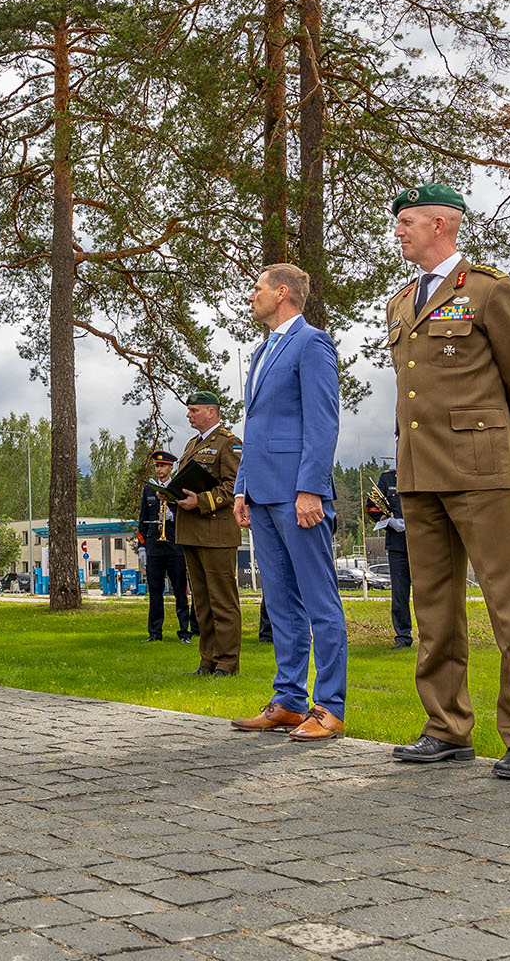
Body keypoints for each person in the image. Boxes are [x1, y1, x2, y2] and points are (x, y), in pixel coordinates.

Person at [386, 182, 510, 781]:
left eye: (408, 221)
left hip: (482, 467)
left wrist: (504, 438)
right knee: (434, 608)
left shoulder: (490, 291)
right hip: (419, 472)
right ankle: (446, 727)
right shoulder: (402, 302)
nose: (399, 230)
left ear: (443, 224)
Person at [230, 263, 347, 741]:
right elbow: (256, 427)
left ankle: (331, 706)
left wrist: (310, 489)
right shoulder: (261, 351)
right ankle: (289, 701)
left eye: (256, 288)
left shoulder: (312, 343)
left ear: (282, 294)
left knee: (320, 602)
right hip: (261, 493)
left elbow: (323, 422)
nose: (250, 297)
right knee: (280, 603)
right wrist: (242, 487)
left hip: (298, 493)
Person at [173, 392, 243, 678]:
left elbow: (234, 486)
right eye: (189, 410)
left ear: (212, 413)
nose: (189, 415)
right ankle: (208, 661)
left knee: (222, 601)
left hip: (217, 533)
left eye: (194, 410)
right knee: (202, 602)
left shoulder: (230, 443)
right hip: (191, 532)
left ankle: (227, 663)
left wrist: (200, 501)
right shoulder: (192, 444)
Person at [136, 450, 193, 643]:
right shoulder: (149, 490)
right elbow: (143, 519)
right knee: (155, 592)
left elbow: (188, 517)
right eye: (157, 466)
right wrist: (142, 547)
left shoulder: (178, 488)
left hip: (175, 546)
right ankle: (154, 632)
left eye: (162, 466)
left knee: (180, 591)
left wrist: (172, 513)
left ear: (171, 467)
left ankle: (184, 631)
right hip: (154, 547)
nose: (159, 469)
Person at [374, 467, 413, 650]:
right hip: (398, 545)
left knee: (428, 593)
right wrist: (388, 521)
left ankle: (430, 635)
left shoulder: (425, 471)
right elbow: (372, 505)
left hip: (425, 545)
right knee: (399, 594)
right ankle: (403, 636)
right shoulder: (388, 478)